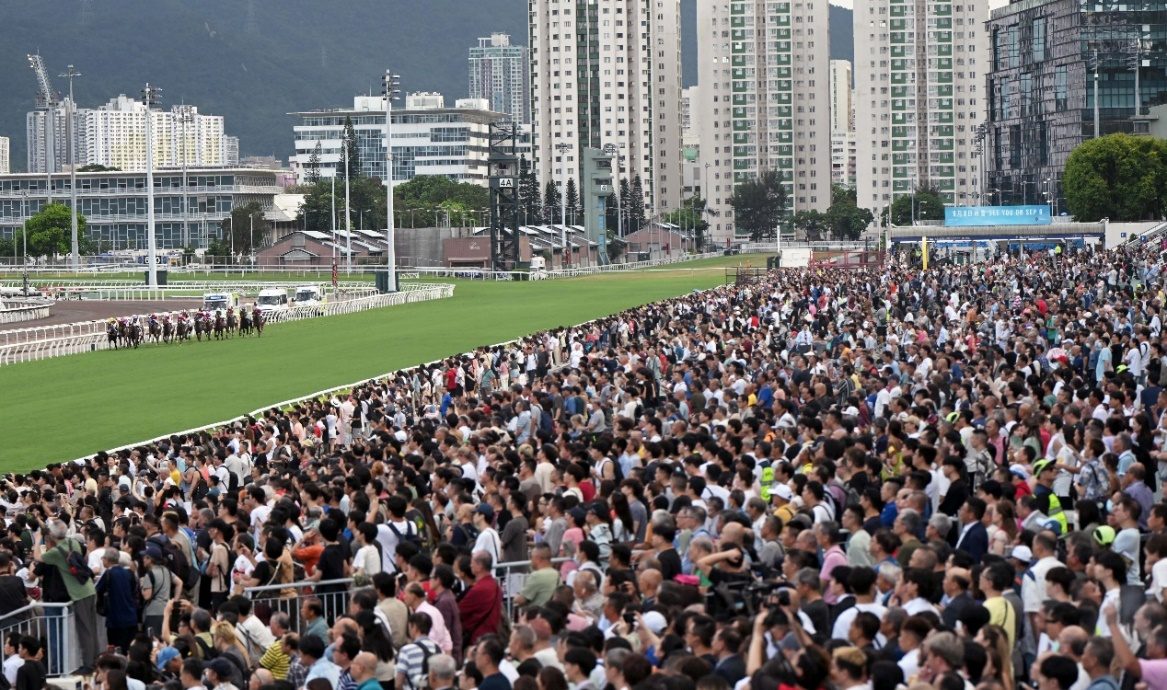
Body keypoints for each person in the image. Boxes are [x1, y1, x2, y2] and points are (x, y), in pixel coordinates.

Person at [395, 613, 441, 690]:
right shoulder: (438, 649)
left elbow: (398, 684)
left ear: (415, 627)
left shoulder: (406, 650)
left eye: (409, 627)